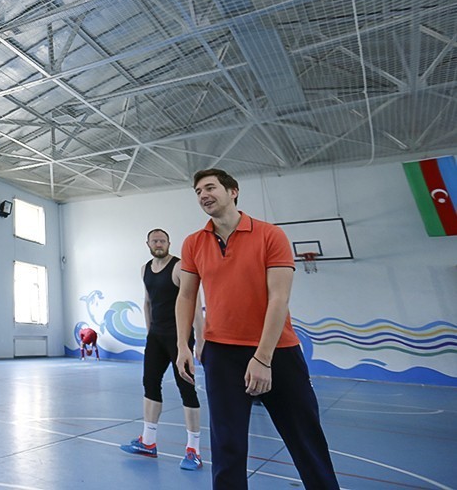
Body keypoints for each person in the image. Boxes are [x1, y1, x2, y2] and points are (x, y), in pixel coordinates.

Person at [175, 169, 339, 489]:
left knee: (305, 437)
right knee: (227, 444)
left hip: (277, 351)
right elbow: (186, 295)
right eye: (198, 191)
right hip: (221, 353)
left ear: (233, 191)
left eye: (210, 187)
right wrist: (183, 344)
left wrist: (263, 357)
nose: (203, 195)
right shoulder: (193, 243)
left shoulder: (270, 235)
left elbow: (279, 298)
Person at [121, 228, 203, 470]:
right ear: (148, 243)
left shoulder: (179, 267)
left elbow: (195, 304)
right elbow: (147, 302)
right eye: (155, 241)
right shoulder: (145, 269)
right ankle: (148, 442)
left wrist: (200, 340)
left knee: (186, 389)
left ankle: (194, 450)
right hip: (156, 338)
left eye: (163, 241)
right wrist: (150, 333)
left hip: (179, 338)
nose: (159, 244)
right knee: (150, 384)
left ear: (169, 243)